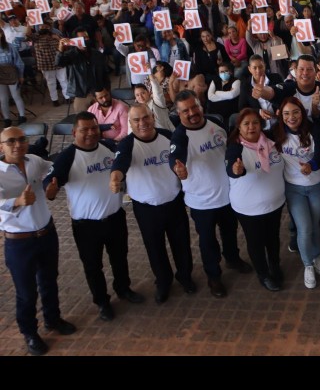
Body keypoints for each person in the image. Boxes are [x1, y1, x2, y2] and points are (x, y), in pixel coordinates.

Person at [43, 112, 145, 322]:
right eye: (85, 130)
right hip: (86, 226)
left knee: (120, 257)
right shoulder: (67, 157)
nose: (90, 133)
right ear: (74, 133)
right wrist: (50, 190)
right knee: (93, 266)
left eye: (94, 128)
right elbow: (50, 183)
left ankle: (123, 288)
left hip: (115, 217)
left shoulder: (108, 147)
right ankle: (102, 301)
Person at [169, 91, 252, 299]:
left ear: (200, 105)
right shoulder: (180, 135)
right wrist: (177, 168)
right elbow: (175, 155)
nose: (192, 113)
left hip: (227, 195)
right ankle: (214, 276)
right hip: (202, 202)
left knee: (230, 231)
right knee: (208, 241)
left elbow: (231, 146)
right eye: (185, 111)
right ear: (179, 114)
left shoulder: (216, 123)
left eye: (194, 107)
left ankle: (232, 258)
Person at [0, 127, 76, 356]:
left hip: (46, 233)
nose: (17, 145)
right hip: (19, 242)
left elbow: (52, 171)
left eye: (22, 139)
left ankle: (53, 319)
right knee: (26, 291)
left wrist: (51, 185)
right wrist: (17, 201)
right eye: (11, 141)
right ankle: (30, 332)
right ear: (1, 146)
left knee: (49, 280)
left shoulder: (34, 160)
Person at [110, 104, 194, 304]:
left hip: (174, 202)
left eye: (146, 117)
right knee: (155, 248)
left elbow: (179, 156)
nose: (142, 123)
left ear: (153, 117)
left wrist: (181, 170)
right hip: (146, 208)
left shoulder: (168, 136)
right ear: (130, 124)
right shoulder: (126, 144)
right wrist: (115, 178)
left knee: (182, 243)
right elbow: (120, 164)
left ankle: (185, 276)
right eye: (136, 120)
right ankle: (163, 282)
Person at [225, 109, 286, 292]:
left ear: (261, 125)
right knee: (256, 242)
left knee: (273, 239)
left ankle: (275, 265)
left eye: (255, 123)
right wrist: (236, 170)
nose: (251, 127)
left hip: (275, 204)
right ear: (239, 127)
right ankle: (263, 274)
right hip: (249, 210)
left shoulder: (270, 141)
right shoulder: (235, 147)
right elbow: (232, 169)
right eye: (246, 124)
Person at [272, 97, 320, 289]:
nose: (291, 117)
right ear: (281, 116)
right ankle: (308, 264)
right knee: (304, 227)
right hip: (293, 188)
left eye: (295, 112)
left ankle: (316, 255)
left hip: (316, 185)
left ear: (302, 113)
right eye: (286, 113)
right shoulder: (276, 133)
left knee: (315, 224)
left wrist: (311, 165)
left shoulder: (313, 130)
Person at [57, 28, 109, 113]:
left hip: (99, 92)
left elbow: (105, 74)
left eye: (86, 37)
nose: (85, 40)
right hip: (81, 94)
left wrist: (107, 91)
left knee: (103, 116)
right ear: (75, 40)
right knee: (83, 118)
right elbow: (59, 63)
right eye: (81, 38)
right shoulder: (71, 55)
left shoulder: (97, 54)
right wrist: (60, 50)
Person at [0, 31, 26, 127]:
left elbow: (18, 61)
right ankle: (7, 119)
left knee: (16, 95)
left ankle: (22, 116)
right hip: (0, 75)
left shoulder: (10, 46)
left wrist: (21, 75)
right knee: (3, 98)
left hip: (12, 73)